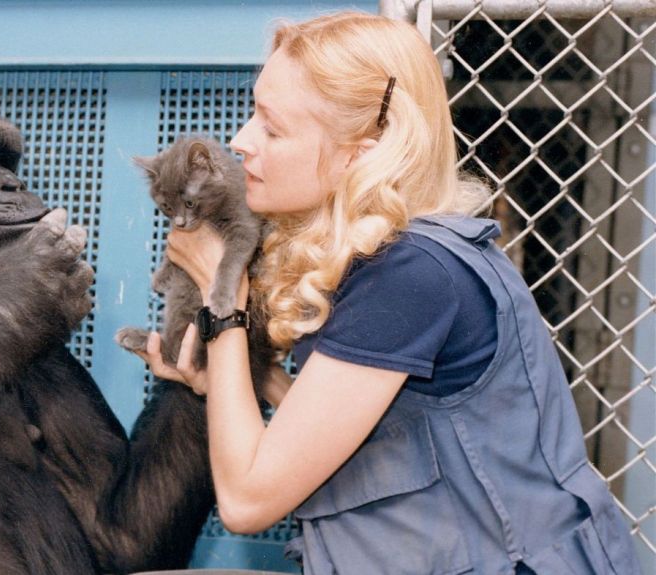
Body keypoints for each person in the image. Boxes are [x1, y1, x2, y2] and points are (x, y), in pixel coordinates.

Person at [135, 11, 641, 575]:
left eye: (272, 127)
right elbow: (386, 425)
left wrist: (218, 293)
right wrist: (243, 383)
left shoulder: (409, 274)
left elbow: (247, 500)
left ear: (361, 150)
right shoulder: (399, 257)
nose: (241, 140)